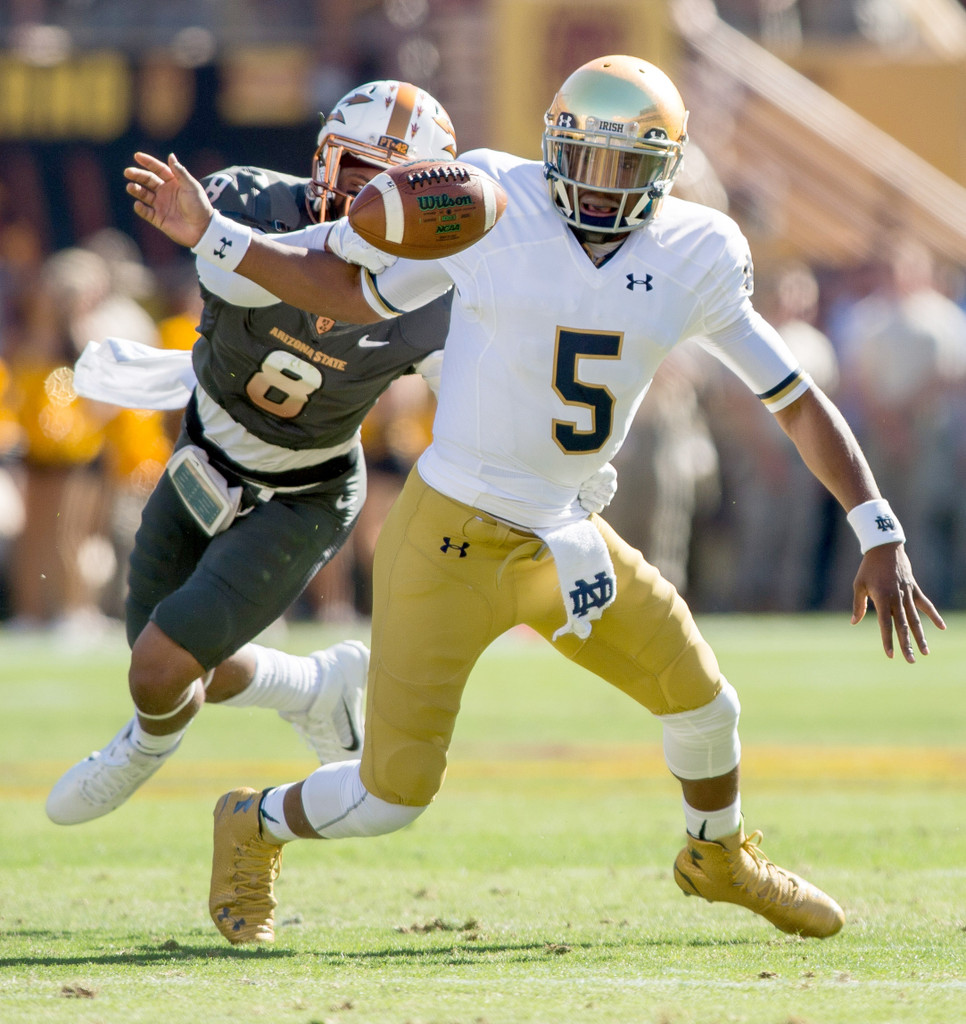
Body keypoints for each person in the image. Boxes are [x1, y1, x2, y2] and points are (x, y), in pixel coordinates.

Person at [124, 55, 944, 946]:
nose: (597, 188)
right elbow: (345, 289)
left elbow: (793, 397)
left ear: (666, 170)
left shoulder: (697, 248)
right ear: (551, 144)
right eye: (582, 158)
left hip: (563, 537)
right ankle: (255, 819)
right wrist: (214, 236)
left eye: (625, 167)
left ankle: (718, 857)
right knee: (390, 796)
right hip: (448, 535)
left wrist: (876, 524)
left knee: (709, 706)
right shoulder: (489, 205)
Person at [45, 80, 462, 825]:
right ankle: (311, 687)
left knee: (159, 671)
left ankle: (143, 747)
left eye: (385, 184)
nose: (363, 197)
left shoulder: (435, 290)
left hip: (307, 488)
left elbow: (466, 390)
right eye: (352, 170)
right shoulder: (249, 202)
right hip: (206, 451)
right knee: (157, 652)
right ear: (322, 159)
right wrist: (214, 233)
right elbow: (259, 272)